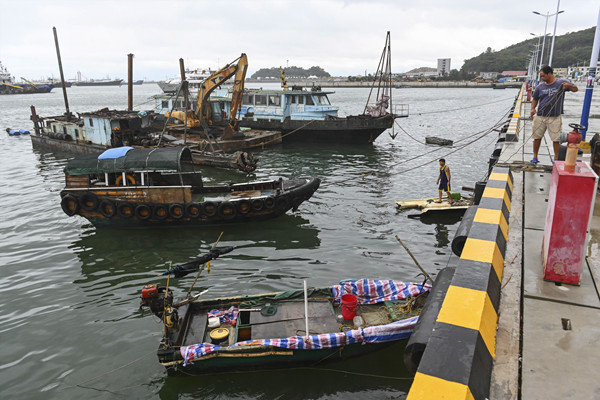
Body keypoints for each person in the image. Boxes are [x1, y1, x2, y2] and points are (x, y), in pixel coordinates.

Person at [529, 65, 578, 163]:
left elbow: (575, 89)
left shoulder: (560, 83)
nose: (542, 78)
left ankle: (556, 158)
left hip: (555, 116)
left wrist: (568, 86)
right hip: (541, 115)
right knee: (537, 137)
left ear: (549, 74)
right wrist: (533, 108)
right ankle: (535, 156)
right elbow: (535, 98)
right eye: (541, 76)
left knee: (556, 139)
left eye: (543, 76)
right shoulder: (540, 86)